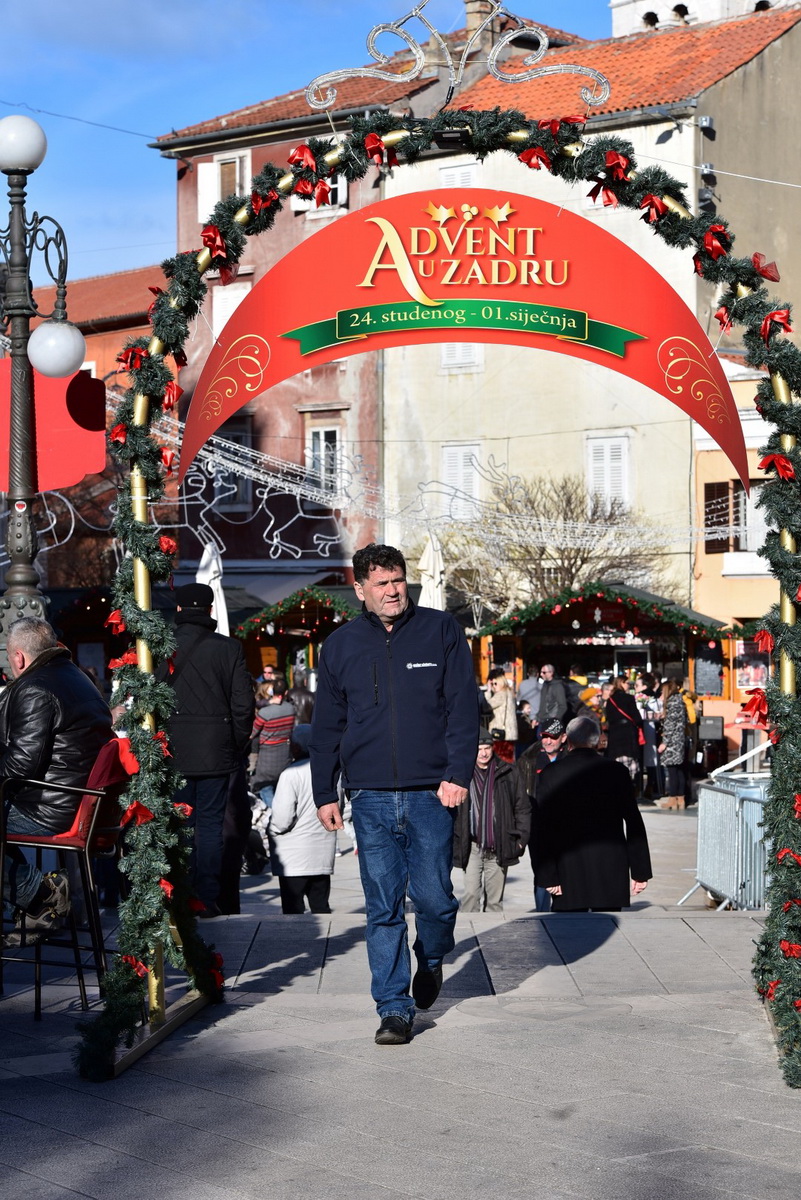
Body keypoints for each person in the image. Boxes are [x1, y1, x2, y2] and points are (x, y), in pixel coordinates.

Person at [310, 542, 479, 1046]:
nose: (392, 590)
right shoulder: (339, 646)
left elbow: (463, 710)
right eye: (381, 583)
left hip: (433, 792)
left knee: (436, 898)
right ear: (359, 589)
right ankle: (393, 1008)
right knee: (382, 906)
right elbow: (326, 727)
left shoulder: (441, 631)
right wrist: (326, 792)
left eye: (398, 580)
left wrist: (457, 774)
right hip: (370, 795)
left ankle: (430, 958)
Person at [1, 617, 112, 946]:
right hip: (76, 801)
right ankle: (37, 905)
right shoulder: (77, 677)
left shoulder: (36, 687)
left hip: (50, 809)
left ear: (19, 657)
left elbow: (22, 762)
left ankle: (42, 893)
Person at [156, 582, 254, 917]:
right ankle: (207, 896)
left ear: (179, 611)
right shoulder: (229, 649)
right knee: (210, 826)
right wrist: (235, 743)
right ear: (210, 610)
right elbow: (244, 705)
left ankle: (178, 891)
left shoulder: (159, 649)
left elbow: (150, 702)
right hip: (216, 750)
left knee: (179, 824)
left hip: (172, 752)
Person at [536, 715, 652, 912]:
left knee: (569, 935)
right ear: (597, 740)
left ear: (568, 740)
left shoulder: (551, 773)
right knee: (608, 931)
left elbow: (542, 828)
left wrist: (548, 875)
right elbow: (634, 822)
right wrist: (640, 871)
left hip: (567, 869)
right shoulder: (617, 772)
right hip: (609, 867)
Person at [452, 729, 529, 912]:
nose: (484, 753)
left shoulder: (509, 772)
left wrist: (521, 840)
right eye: (479, 749)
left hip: (499, 844)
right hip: (471, 846)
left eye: (487, 748)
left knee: (495, 902)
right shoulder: (464, 775)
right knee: (470, 896)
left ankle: (493, 939)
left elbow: (522, 808)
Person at [268, 725, 337, 914]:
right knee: (321, 907)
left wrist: (271, 829)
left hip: (293, 858)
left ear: (296, 747)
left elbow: (282, 820)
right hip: (322, 854)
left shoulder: (290, 774)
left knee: (293, 910)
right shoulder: (330, 774)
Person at [517, 717, 568, 912]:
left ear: (563, 738)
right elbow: (520, 798)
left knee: (566, 871)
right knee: (541, 872)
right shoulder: (527, 760)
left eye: (552, 737)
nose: (547, 741)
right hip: (538, 826)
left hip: (566, 827)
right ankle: (542, 914)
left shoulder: (571, 758)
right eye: (544, 736)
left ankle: (565, 911)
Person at [251, 676, 296, 807]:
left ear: (272, 691)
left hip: (266, 757)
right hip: (284, 754)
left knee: (265, 788)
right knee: (279, 788)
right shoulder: (290, 709)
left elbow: (253, 733)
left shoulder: (265, 713)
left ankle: (275, 817)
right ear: (286, 692)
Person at [604, 675, 644, 783]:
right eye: (627, 683)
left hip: (614, 735)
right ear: (621, 683)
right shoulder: (629, 698)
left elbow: (608, 717)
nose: (629, 686)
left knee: (616, 764)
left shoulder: (610, 700)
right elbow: (637, 718)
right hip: (628, 734)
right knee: (630, 765)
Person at [657, 678, 687, 810]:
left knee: (672, 771)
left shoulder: (672, 702)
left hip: (672, 742)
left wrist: (664, 743)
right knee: (679, 770)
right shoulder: (680, 700)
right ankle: (681, 799)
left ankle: (673, 798)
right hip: (679, 739)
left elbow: (670, 725)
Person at [486, 669, 517, 761]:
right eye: (492, 684)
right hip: (509, 733)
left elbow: (487, 706)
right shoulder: (509, 692)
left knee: (501, 760)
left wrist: (488, 691)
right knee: (509, 758)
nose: (493, 686)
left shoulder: (501, 694)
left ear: (501, 683)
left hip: (501, 733)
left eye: (495, 684)